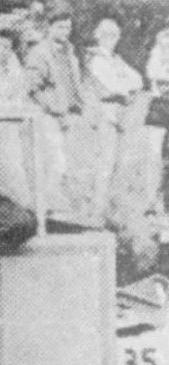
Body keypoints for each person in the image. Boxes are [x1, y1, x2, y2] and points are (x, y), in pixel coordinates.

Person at [25, 6, 84, 223]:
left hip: (69, 114)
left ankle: (56, 209)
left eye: (67, 27)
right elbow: (34, 88)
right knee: (54, 162)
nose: (64, 31)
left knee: (69, 164)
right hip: (47, 115)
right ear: (49, 27)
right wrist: (56, 112)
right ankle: (44, 209)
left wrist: (75, 109)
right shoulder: (39, 52)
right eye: (60, 27)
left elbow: (73, 83)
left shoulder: (70, 52)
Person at [85, 19, 143, 223]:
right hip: (104, 111)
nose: (111, 39)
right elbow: (110, 84)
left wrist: (124, 85)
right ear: (98, 36)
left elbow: (137, 80)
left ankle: (111, 211)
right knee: (105, 162)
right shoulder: (95, 59)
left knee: (120, 163)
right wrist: (124, 86)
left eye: (114, 35)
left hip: (121, 112)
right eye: (106, 35)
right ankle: (97, 211)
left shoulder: (115, 59)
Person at [145, 27, 169, 216]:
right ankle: (152, 201)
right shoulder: (161, 42)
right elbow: (154, 74)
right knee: (154, 156)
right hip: (160, 108)